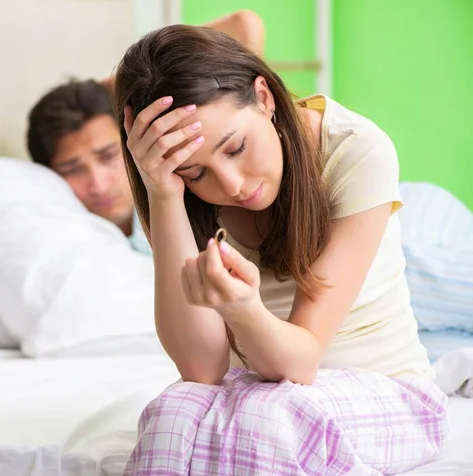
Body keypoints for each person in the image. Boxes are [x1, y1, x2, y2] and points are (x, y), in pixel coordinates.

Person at [113, 24, 449, 475]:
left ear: (265, 97)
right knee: (172, 412)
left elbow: (301, 362)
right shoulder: (174, 187)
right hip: (253, 392)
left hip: (387, 392)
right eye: (196, 174)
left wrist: (244, 310)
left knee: (268, 419)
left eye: (236, 147)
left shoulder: (355, 151)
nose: (231, 185)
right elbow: (202, 369)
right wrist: (164, 194)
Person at [25, 10, 265, 255]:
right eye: (72, 169)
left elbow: (243, 24)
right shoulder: (63, 237)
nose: (98, 184)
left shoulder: (190, 187)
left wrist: (127, 85)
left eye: (108, 156)